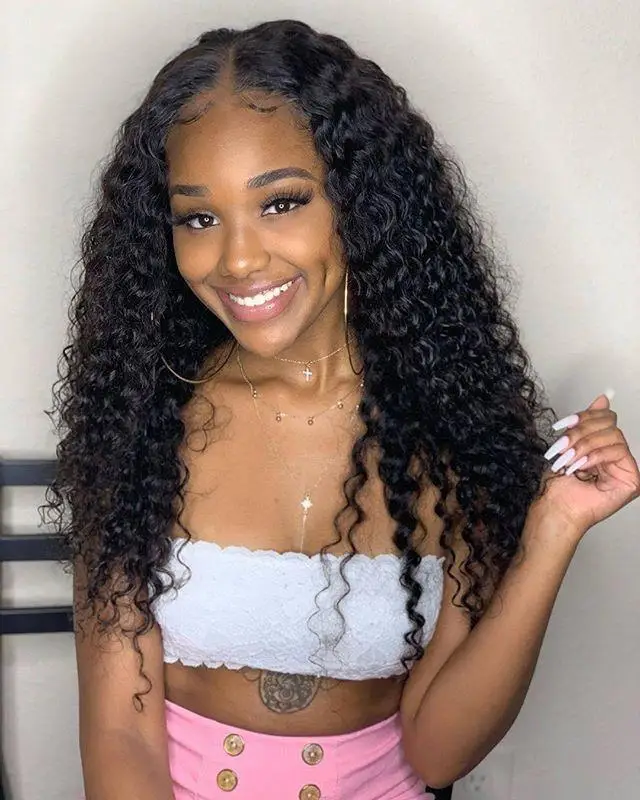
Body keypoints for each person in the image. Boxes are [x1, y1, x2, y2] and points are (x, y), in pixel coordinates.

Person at [44, 19, 639, 800]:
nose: (238, 259)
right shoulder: (140, 422)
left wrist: (553, 529)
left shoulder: (454, 435)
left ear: (359, 202)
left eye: (282, 202)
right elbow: (119, 736)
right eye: (199, 218)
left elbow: (439, 753)